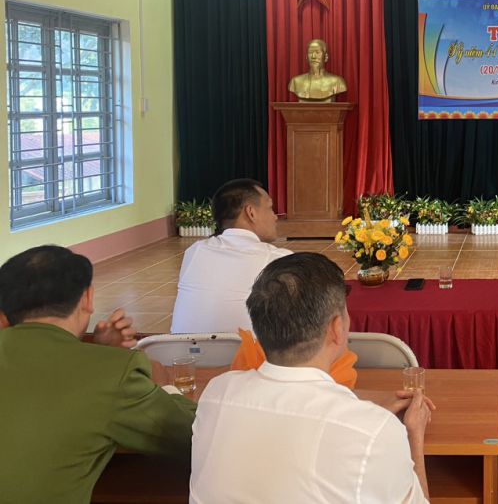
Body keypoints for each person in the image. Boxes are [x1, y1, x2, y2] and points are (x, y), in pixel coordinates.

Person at [190, 253, 433, 503]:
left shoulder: (217, 394)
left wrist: (367, 411)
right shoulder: (373, 432)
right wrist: (414, 435)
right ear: (336, 328)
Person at [0, 246, 196, 504]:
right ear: (87, 298)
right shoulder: (114, 373)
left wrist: (103, 354)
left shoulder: (107, 370)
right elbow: (196, 437)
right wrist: (163, 385)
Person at [170, 178, 293, 333]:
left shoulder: (194, 251)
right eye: (270, 208)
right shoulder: (278, 259)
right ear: (251, 213)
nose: (275, 217)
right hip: (246, 348)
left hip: (179, 347)